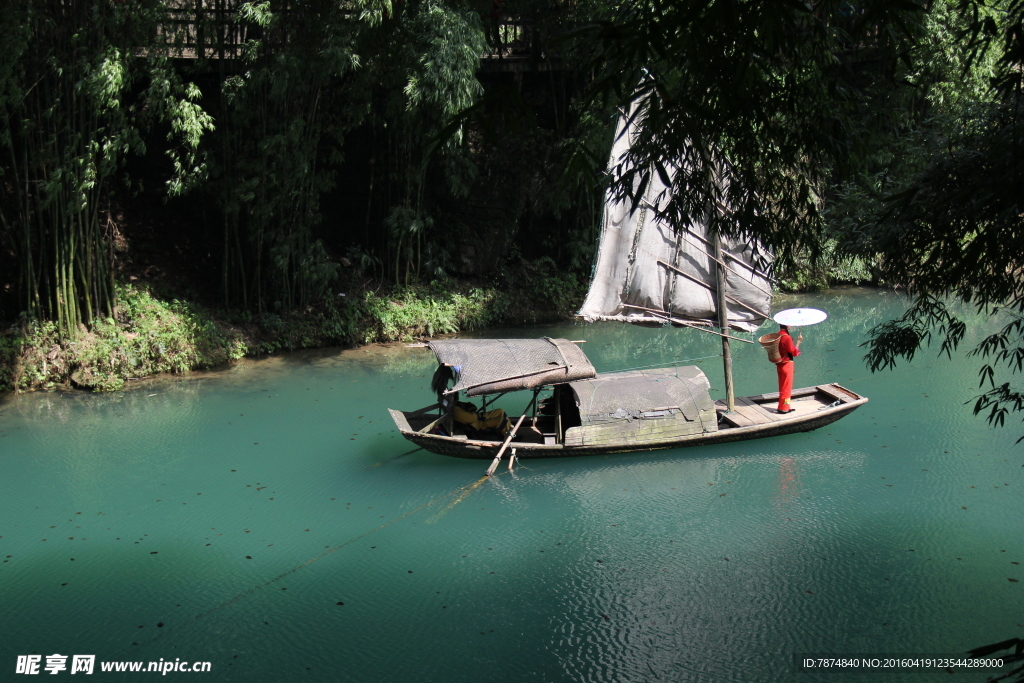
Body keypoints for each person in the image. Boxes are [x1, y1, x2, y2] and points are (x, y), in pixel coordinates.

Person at [775, 324, 802, 413]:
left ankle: (783, 406)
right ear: (786, 325)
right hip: (787, 365)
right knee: (787, 388)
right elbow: (793, 352)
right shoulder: (787, 337)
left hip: (780, 364)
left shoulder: (778, 335)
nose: (791, 325)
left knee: (782, 387)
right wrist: (798, 342)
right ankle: (784, 408)